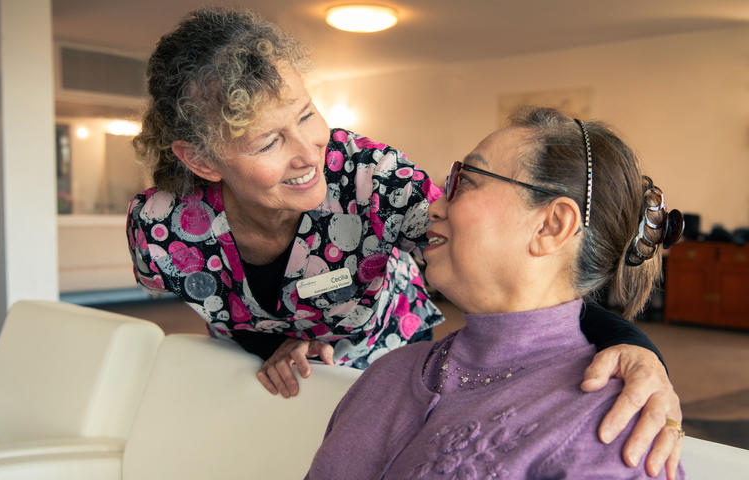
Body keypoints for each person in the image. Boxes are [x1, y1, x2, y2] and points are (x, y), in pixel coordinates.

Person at [126, 7, 682, 476]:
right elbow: (233, 315)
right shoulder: (162, 231)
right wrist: (270, 345)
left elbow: (532, 278)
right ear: (201, 160)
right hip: (340, 387)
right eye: (270, 141)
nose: (307, 153)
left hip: (397, 353)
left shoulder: (369, 177)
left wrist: (640, 355)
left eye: (307, 115)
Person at [308, 107, 686, 479]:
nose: (434, 206)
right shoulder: (387, 373)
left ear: (551, 225)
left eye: (466, 181)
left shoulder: (611, 430)